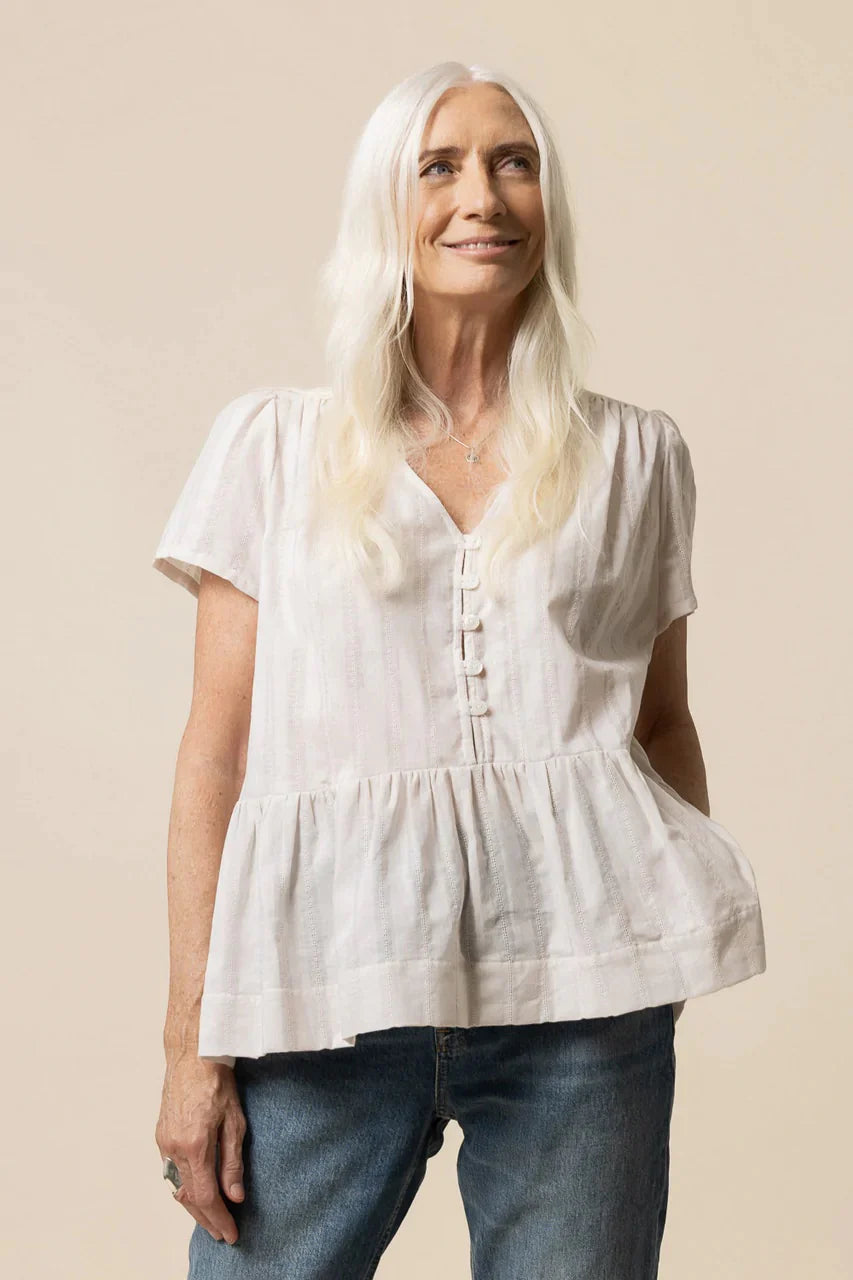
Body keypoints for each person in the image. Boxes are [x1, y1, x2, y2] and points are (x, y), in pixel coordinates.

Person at [152, 61, 766, 1279]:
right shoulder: (272, 448)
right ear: (387, 206)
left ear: (547, 203)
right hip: (320, 995)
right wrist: (190, 1043)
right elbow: (216, 755)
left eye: (513, 162)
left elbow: (661, 725)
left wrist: (653, 954)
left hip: (583, 1012)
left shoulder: (636, 457)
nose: (481, 195)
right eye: (439, 166)